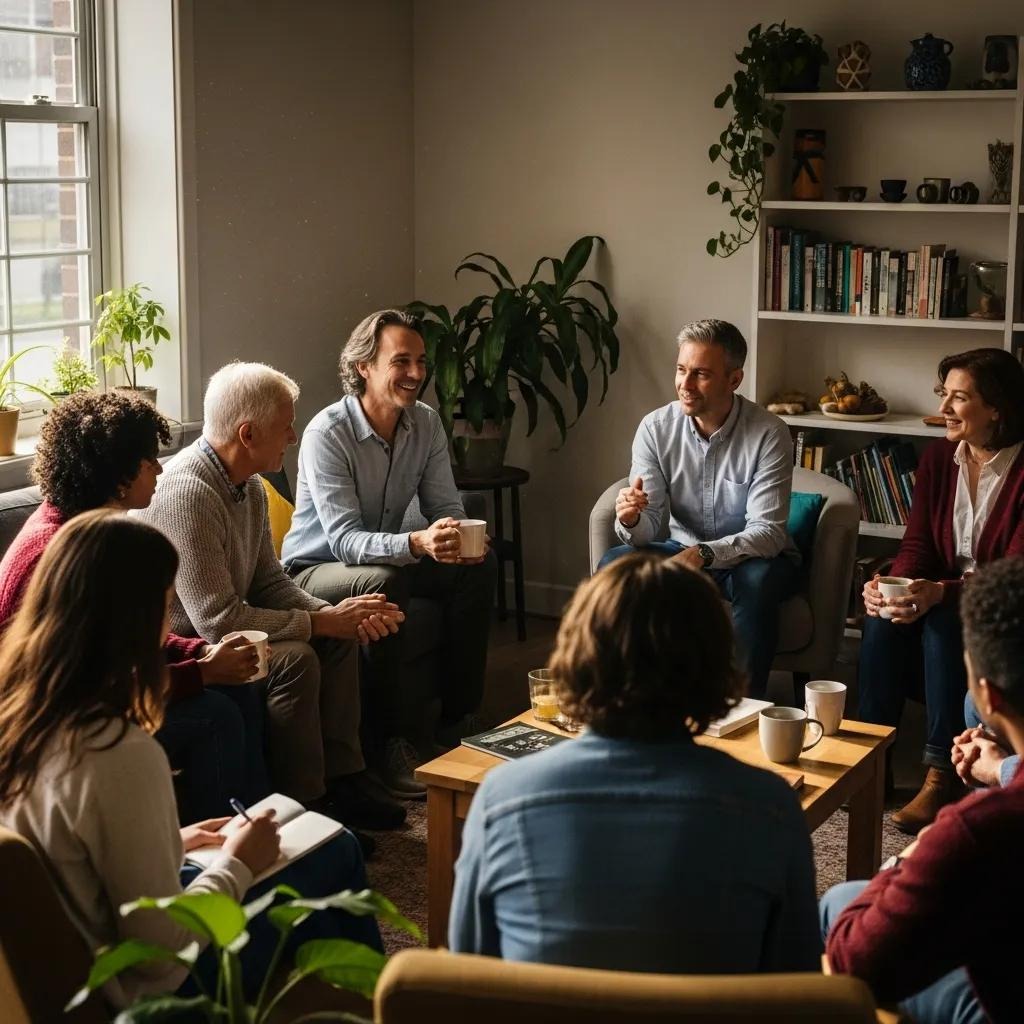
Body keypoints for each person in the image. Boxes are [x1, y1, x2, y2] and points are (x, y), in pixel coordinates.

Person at [0, 512, 380, 1011]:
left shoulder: (20, 717)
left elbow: (67, 859)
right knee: (334, 848)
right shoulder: (118, 753)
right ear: (134, 623)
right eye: (163, 608)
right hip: (148, 994)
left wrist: (172, 842)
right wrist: (238, 864)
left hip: (86, 957)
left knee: (278, 833)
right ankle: (370, 1004)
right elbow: (163, 957)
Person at [448, 553, 821, 973]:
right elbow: (796, 986)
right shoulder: (770, 807)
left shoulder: (500, 801)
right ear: (716, 661)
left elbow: (470, 982)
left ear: (578, 654)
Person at [138, 361, 408, 831]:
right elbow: (217, 621)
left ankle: (345, 780)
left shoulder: (251, 487)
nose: (292, 435)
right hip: (190, 645)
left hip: (234, 626)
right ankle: (306, 807)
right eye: (286, 426)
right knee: (296, 658)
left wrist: (333, 615)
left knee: (337, 637)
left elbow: (270, 581)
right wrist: (319, 622)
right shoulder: (188, 493)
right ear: (247, 434)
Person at [0, 391, 267, 822]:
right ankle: (221, 848)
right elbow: (91, 688)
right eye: (149, 460)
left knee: (237, 686)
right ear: (120, 475)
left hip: (88, 699)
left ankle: (262, 825)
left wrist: (196, 650)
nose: (160, 468)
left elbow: (127, 636)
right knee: (214, 715)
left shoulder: (95, 529)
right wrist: (200, 673)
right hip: (54, 730)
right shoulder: (61, 553)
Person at [282, 310, 497, 798]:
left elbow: (444, 506)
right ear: (364, 366)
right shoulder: (326, 433)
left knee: (478, 567)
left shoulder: (425, 424)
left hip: (384, 556)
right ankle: (385, 743)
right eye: (401, 361)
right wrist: (417, 543)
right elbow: (343, 540)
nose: (417, 373)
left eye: (421, 361)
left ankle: (457, 722)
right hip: (314, 569)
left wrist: (457, 537)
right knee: (385, 581)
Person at [822, 556, 1024, 1024]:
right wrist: (1004, 769)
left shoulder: (976, 830)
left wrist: (905, 860)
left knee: (836, 906)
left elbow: (860, 959)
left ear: (986, 697)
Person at [857, 348, 1024, 833]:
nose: (945, 409)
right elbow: (917, 544)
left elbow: (1012, 574)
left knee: (945, 618)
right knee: (882, 617)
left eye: (959, 398)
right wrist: (896, 586)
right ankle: (871, 759)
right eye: (943, 395)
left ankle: (939, 772)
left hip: (1000, 608)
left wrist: (939, 594)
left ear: (996, 408)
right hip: (943, 594)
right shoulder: (938, 459)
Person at [599, 318, 799, 698]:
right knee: (615, 565)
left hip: (752, 559)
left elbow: (768, 533)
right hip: (681, 549)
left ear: (734, 379)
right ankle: (631, 697)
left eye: (701, 374)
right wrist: (632, 517)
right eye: (681, 370)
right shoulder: (655, 428)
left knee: (756, 582)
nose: (685, 385)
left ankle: (741, 702)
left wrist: (704, 554)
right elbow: (650, 527)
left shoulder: (769, 433)